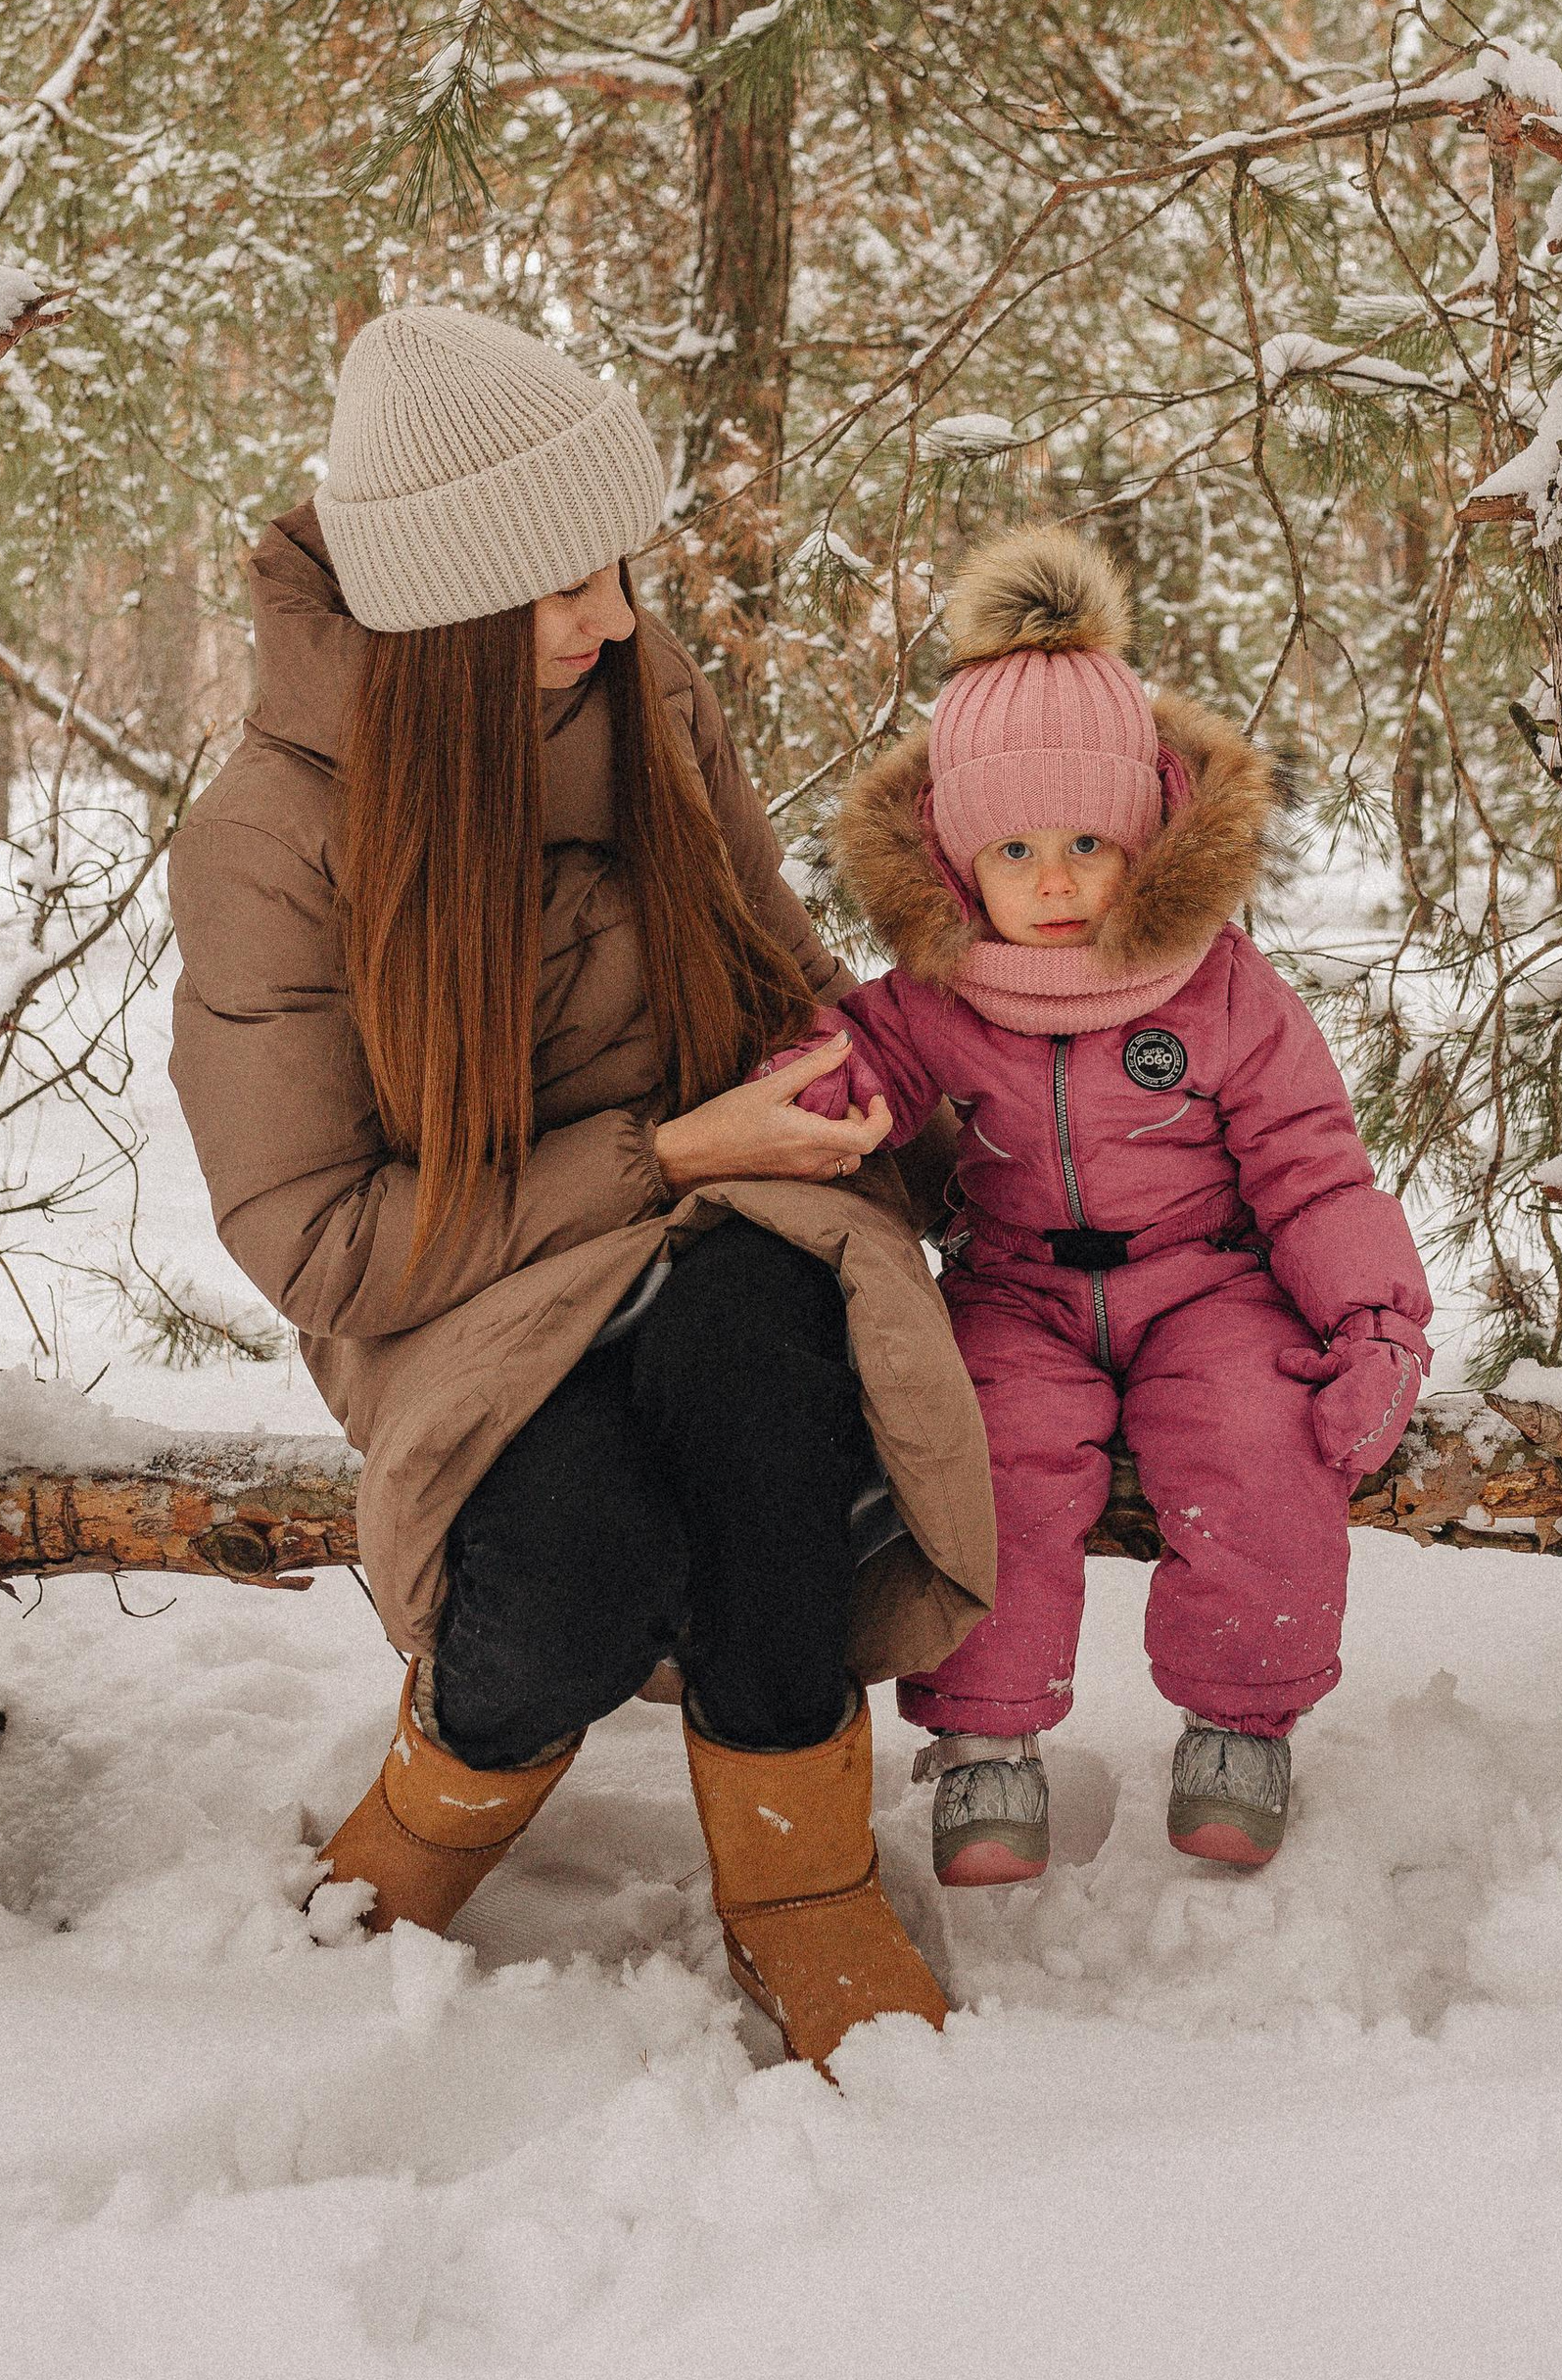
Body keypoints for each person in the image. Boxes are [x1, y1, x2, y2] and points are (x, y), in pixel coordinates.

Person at [166, 306, 995, 2069]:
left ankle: (802, 1889)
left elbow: (773, 953)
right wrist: (664, 1151)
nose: (616, 618)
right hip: (462, 1291)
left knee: (764, 1399)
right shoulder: (273, 829)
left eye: (617, 570)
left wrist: (878, 1099)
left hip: (740, 1211)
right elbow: (313, 1236)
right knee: (574, 1569)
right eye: (563, 589)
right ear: (452, 614)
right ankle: (439, 1798)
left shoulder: (639, 685)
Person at [785, 521, 1432, 1886]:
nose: (1059, 879)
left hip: (1208, 1279)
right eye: (1015, 852)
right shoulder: (943, 990)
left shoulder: (1221, 987)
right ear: (963, 865)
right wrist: (804, 1094)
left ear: (1144, 833)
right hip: (1017, 1284)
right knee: (994, 1458)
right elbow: (862, 1068)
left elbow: (1313, 1165)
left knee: (1259, 1444)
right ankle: (985, 1746)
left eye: (1090, 840)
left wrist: (1376, 1320)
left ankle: (1240, 1728)